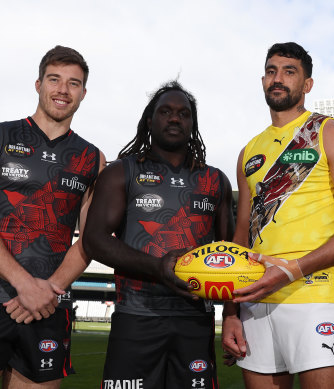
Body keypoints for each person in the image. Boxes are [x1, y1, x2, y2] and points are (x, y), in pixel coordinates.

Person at [0, 45, 105, 388]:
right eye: (54, 79)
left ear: (84, 93)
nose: (63, 89)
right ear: (38, 84)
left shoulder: (93, 159)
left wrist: (50, 290)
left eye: (73, 83)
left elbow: (92, 239)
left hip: (49, 307)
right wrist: (25, 285)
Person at [222, 42, 334, 389]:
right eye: (271, 71)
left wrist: (290, 271)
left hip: (315, 296)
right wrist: (230, 312)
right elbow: (241, 238)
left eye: (289, 71)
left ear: (307, 85)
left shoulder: (328, 133)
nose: (278, 79)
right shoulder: (248, 151)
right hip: (255, 301)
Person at [82, 80, 235, 389]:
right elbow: (94, 239)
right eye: (165, 111)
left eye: (184, 113)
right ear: (150, 121)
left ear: (193, 124)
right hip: (136, 315)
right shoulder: (120, 171)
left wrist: (232, 315)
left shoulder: (215, 180)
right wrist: (160, 268)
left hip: (195, 318)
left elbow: (230, 254)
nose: (175, 118)